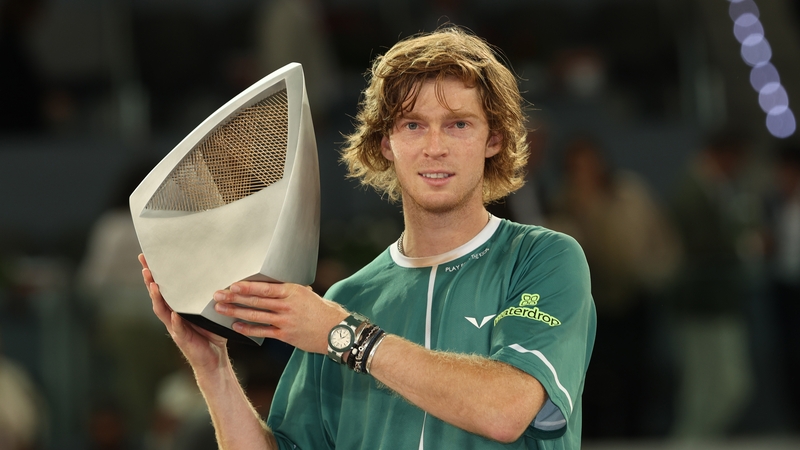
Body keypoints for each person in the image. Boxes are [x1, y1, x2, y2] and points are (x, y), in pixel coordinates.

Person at [140, 26, 596, 449]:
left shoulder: (544, 258)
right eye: (413, 125)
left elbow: (507, 409)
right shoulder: (346, 299)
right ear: (385, 143)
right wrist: (213, 368)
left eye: (458, 124)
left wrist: (344, 336)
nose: (434, 147)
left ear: (493, 139)